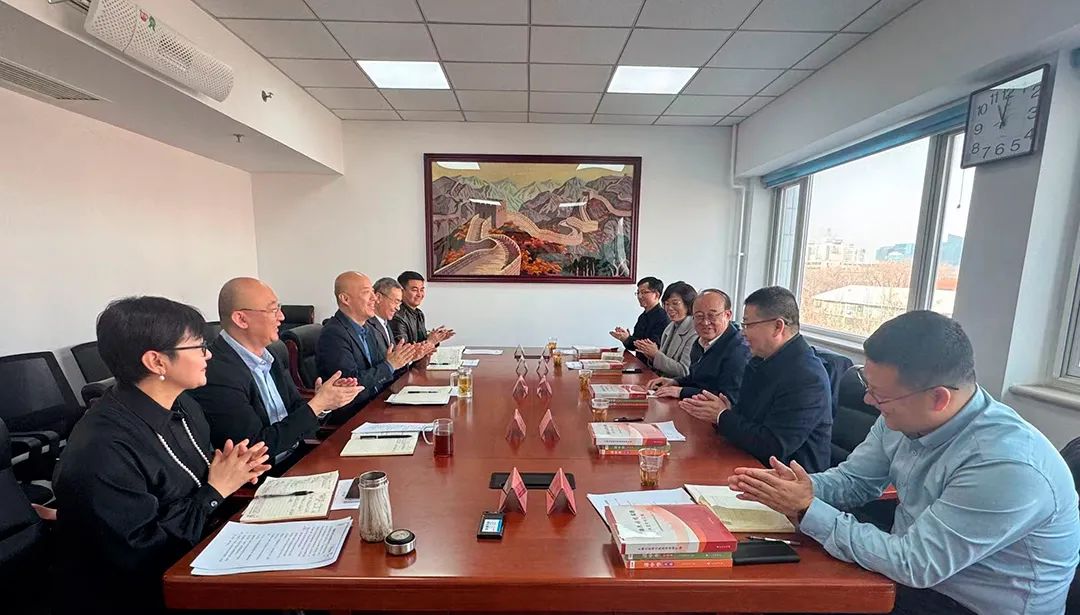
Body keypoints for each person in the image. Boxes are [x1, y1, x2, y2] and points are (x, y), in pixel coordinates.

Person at [727, 311, 1080, 615]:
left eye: (879, 394)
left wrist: (808, 509)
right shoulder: (902, 416)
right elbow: (855, 481)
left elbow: (915, 563)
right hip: (910, 578)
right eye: (868, 384)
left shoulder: (1006, 466)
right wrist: (796, 489)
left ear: (938, 398)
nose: (868, 400)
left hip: (966, 603)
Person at [53, 296, 272, 613]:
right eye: (199, 347)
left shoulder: (183, 405)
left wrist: (234, 469)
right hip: (146, 592)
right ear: (156, 362)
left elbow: (192, 478)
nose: (208, 354)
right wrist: (216, 490)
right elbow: (143, 553)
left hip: (205, 550)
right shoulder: (103, 449)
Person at [190, 277, 362, 463]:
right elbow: (255, 450)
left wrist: (324, 404)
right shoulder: (216, 371)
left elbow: (295, 409)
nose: (282, 317)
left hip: (298, 456)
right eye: (273, 310)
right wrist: (317, 405)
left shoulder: (269, 354)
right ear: (241, 319)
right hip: (267, 473)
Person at [679, 286, 832, 473]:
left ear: (778, 327)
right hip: (746, 460)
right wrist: (727, 411)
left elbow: (774, 446)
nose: (743, 332)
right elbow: (747, 419)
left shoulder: (807, 377)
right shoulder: (759, 361)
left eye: (748, 325)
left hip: (785, 479)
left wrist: (722, 416)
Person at [317, 271, 421, 410]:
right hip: (356, 412)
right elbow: (351, 386)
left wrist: (403, 359)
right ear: (345, 299)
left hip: (379, 401)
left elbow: (379, 370)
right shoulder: (334, 334)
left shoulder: (368, 328)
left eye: (373, 292)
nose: (374, 298)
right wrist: (390, 365)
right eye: (367, 292)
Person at [646, 289, 750, 402]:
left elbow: (727, 397)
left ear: (727, 315)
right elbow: (696, 378)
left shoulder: (738, 350)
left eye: (712, 316)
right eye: (699, 316)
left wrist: (682, 391)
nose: (705, 322)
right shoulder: (700, 341)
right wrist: (675, 382)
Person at [634, 281, 698, 378]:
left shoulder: (695, 331)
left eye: (675, 303)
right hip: (662, 381)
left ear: (688, 304)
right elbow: (662, 364)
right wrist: (651, 355)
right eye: (666, 304)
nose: (669, 308)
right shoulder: (670, 327)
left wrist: (656, 355)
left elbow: (685, 371)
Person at [610, 276, 669, 362]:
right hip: (640, 363)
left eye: (644, 292)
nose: (640, 296)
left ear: (656, 295)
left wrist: (628, 338)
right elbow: (634, 346)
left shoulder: (663, 317)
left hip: (654, 366)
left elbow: (649, 347)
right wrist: (625, 338)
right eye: (638, 293)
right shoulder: (642, 317)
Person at [391, 270, 454, 347]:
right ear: (402, 291)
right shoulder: (396, 316)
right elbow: (403, 350)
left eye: (421, 290)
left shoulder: (419, 313)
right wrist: (430, 342)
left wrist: (435, 338)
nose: (419, 294)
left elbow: (420, 341)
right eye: (414, 290)